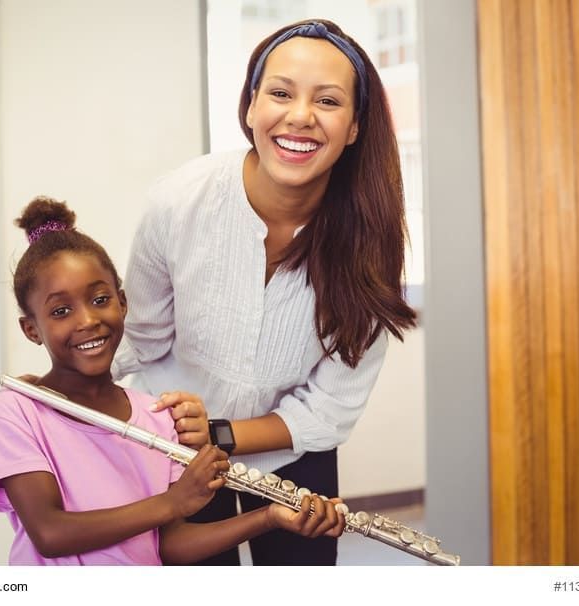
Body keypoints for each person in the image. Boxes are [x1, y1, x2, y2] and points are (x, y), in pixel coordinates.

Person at [112, 19, 417, 565]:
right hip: (175, 448)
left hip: (291, 453)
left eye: (328, 101)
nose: (300, 116)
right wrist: (65, 393)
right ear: (251, 106)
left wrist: (220, 433)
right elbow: (142, 340)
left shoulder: (371, 244)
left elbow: (330, 408)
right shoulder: (177, 202)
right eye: (280, 93)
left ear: (354, 127)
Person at [0, 196, 346, 565]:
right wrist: (172, 502)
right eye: (61, 310)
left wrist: (269, 517)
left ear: (122, 303)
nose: (87, 320)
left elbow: (168, 546)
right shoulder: (15, 412)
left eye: (99, 299)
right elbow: (50, 533)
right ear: (31, 329)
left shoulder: (157, 416)